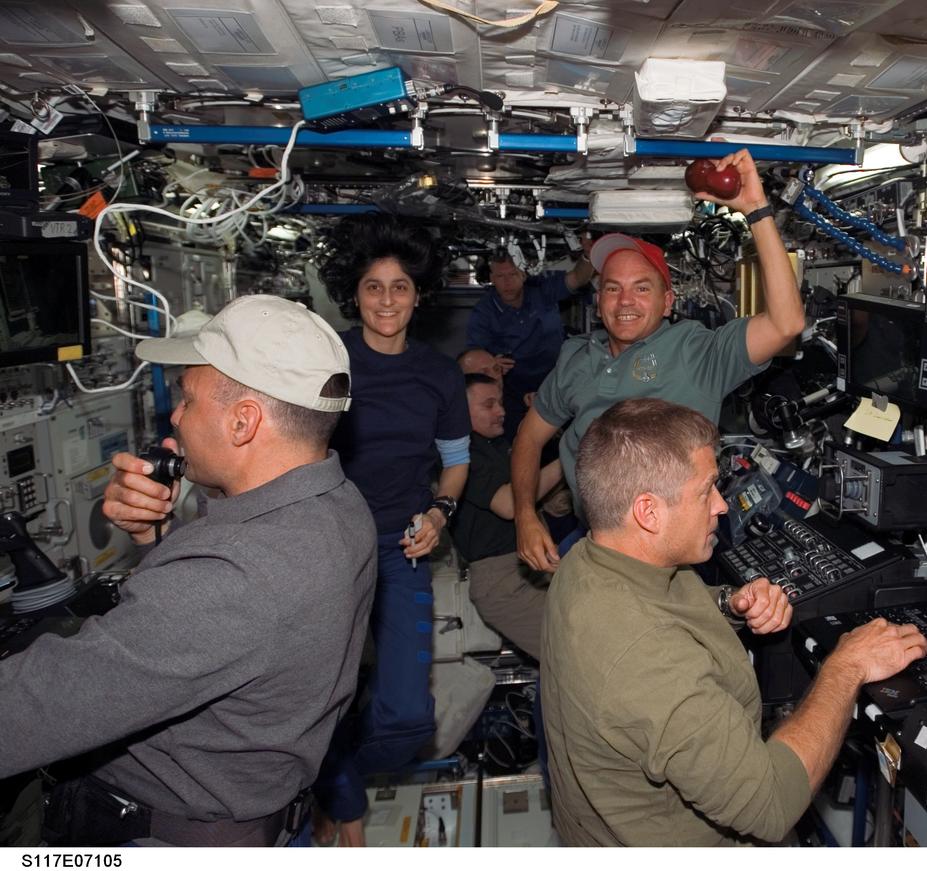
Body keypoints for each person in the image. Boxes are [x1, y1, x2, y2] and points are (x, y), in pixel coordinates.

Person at [0, 295, 374, 847]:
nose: (175, 415)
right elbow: (227, 631)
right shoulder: (340, 505)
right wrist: (155, 538)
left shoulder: (236, 574)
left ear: (243, 422)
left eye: (187, 397)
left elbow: (29, 712)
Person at [540, 398, 927, 846]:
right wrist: (847, 666)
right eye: (707, 490)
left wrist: (730, 604)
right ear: (648, 513)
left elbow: (657, 604)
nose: (723, 506)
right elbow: (771, 805)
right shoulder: (647, 658)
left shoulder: (589, 561)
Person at [511, 149, 805, 572]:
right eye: (612, 288)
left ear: (668, 302)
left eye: (641, 288)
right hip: (594, 543)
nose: (625, 300)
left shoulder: (696, 352)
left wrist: (757, 212)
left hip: (673, 557)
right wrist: (525, 515)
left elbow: (786, 323)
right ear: (598, 301)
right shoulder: (577, 356)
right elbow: (528, 437)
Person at [312, 214, 471, 846]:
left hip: (403, 544)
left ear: (418, 295)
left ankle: (336, 769)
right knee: (318, 693)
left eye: (399, 286)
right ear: (355, 292)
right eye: (373, 286)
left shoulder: (438, 374)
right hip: (328, 542)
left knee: (407, 714)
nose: (386, 299)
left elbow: (456, 464)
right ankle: (341, 808)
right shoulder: (329, 359)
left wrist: (438, 514)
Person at [454, 373, 562, 659]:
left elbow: (551, 505)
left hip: (534, 566)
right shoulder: (460, 455)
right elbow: (510, 504)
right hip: (503, 581)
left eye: (500, 403)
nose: (501, 411)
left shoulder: (497, 446)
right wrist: (567, 456)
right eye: (488, 405)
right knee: (575, 658)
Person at [466, 240, 595, 437]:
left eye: (512, 275)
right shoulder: (484, 311)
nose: (507, 282)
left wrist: (587, 255)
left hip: (556, 384)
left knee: (571, 439)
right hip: (513, 393)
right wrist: (493, 362)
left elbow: (578, 278)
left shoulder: (542, 289)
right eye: (500, 276)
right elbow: (472, 360)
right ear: (491, 278)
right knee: (517, 439)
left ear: (524, 274)